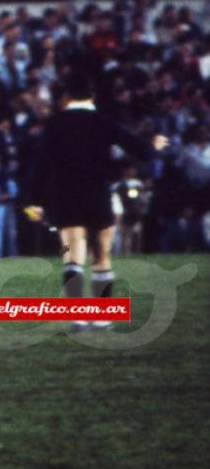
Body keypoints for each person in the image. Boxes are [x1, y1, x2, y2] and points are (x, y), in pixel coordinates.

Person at [26, 72, 167, 331]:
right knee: (102, 256)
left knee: (72, 254)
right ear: (92, 96)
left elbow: (39, 165)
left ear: (66, 97)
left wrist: (35, 201)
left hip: (66, 198)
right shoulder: (103, 122)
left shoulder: (55, 124)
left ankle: (77, 317)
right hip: (98, 196)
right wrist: (155, 144)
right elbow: (142, 151)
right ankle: (102, 317)